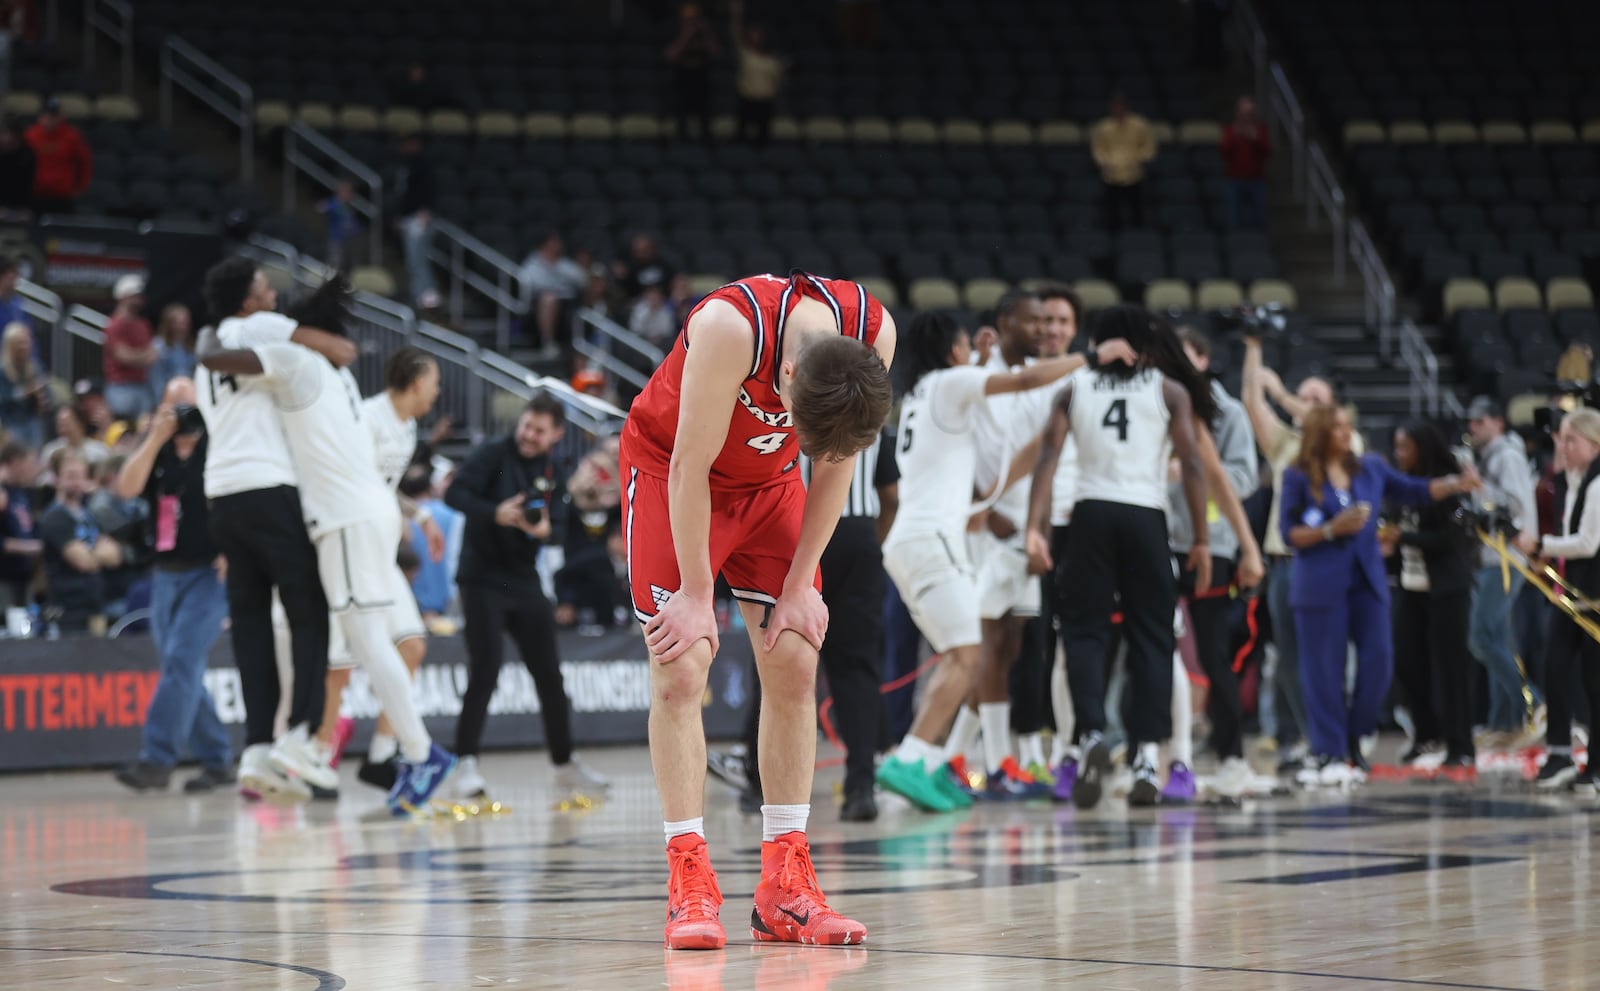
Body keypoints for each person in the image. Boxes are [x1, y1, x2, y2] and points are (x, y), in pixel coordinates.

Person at [620, 270, 895, 950]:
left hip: (769, 488)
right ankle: (688, 876)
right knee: (683, 665)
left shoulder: (873, 330)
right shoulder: (729, 328)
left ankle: (785, 885)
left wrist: (802, 583)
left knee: (797, 655)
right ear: (791, 372)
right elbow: (688, 464)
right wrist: (693, 592)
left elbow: (835, 462)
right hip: (675, 475)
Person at [198, 287, 456, 815]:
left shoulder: (293, 359)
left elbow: (217, 359)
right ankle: (351, 749)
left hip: (344, 519)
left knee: (367, 644)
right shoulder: (336, 374)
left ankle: (415, 751)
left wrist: (211, 325)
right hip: (364, 515)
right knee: (370, 644)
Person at [874, 311, 1132, 813]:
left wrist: (987, 359)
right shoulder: (952, 382)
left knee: (961, 656)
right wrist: (1093, 357)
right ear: (952, 351)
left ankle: (927, 763)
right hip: (933, 543)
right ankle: (910, 759)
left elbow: (990, 438)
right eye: (966, 343)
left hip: (913, 540)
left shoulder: (923, 395)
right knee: (971, 656)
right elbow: (1025, 379)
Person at [1024, 305, 1213, 810]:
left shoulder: (1075, 387)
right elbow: (1192, 464)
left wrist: (1032, 527)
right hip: (1145, 517)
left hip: (1089, 516)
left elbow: (1047, 456)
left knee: (1084, 633)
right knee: (1151, 636)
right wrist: (1199, 537)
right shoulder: (1167, 389)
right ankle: (1147, 755)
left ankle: (1089, 734)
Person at [197, 257, 355, 801]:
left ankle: (257, 747)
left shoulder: (209, 349)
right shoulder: (254, 327)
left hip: (220, 493)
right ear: (245, 299)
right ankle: (301, 737)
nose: (272, 296)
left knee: (250, 625)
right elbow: (332, 346)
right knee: (309, 608)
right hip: (266, 485)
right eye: (264, 288)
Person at [1279, 405, 1479, 787]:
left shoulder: (1369, 467)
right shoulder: (1298, 475)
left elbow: (1416, 490)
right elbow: (1289, 532)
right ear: (1320, 433)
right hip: (1319, 581)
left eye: (1348, 426)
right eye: (1337, 426)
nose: (1346, 432)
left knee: (1380, 662)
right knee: (1323, 671)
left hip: (1366, 579)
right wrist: (1331, 529)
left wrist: (1455, 484)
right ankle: (1330, 749)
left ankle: (1354, 736)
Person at [443, 393, 607, 801]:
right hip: (480, 577)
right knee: (486, 669)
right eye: (526, 425)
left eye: (539, 430)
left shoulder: (555, 469)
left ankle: (563, 764)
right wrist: (494, 512)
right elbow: (454, 495)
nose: (529, 435)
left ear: (556, 434)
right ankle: (465, 764)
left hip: (523, 578)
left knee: (550, 675)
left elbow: (558, 528)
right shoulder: (491, 454)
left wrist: (541, 532)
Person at [327, 347, 445, 793]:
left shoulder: (409, 426)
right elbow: (357, 485)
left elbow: (385, 489)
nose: (437, 393)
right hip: (352, 548)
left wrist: (419, 516)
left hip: (380, 550)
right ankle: (316, 753)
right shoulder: (366, 418)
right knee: (338, 665)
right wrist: (402, 517)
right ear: (415, 383)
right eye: (433, 383)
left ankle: (381, 757)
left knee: (411, 647)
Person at [112, 378, 233, 793]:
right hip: (165, 572)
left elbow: (240, 498)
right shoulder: (158, 447)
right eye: (174, 404)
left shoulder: (221, 444)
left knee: (181, 661)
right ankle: (218, 759)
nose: (182, 413)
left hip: (210, 574)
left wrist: (235, 548)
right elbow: (126, 488)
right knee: (180, 670)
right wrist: (153, 436)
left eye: (188, 404)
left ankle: (156, 761)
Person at [1241, 333, 1344, 770]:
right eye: (1303, 398)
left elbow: (1323, 419)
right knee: (1287, 659)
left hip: (1327, 562)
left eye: (1315, 399)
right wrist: (1253, 349)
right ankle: (1305, 738)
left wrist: (1282, 392)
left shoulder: (1343, 445)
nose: (1304, 406)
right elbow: (1252, 403)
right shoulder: (1284, 444)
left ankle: (1333, 738)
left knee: (1325, 657)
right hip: (1284, 565)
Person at [1164, 326, 1258, 799]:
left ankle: (1232, 757)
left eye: (1184, 355)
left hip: (1213, 544)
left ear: (1202, 359)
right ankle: (1154, 752)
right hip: (1159, 539)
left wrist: (1191, 472)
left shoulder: (1229, 412)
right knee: (1148, 648)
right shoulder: (1153, 403)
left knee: (1215, 653)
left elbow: (1243, 478)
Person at [1379, 420, 1478, 777]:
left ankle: (1461, 746)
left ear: (1422, 448)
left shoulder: (1445, 486)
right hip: (1410, 585)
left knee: (1450, 669)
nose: (1398, 454)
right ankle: (1427, 735)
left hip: (1447, 588)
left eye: (1404, 447)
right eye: (1396, 447)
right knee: (1408, 662)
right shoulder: (1404, 488)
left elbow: (1449, 541)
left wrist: (1403, 537)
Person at [1518, 408, 1600, 792]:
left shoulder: (1599, 483)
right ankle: (1560, 752)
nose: (1562, 447)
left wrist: (1542, 545)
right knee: (1555, 664)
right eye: (1560, 439)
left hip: (1594, 593)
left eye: (1571, 440)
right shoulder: (1573, 477)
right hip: (1573, 589)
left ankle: (1594, 764)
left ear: (1595, 444)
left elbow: (1587, 543)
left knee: (1593, 678)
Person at [1464, 396, 1542, 741]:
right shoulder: (1494, 456)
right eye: (1471, 422)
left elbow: (1514, 505)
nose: (1472, 428)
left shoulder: (1507, 456)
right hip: (1493, 557)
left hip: (1505, 558)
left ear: (1498, 421)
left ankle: (1536, 705)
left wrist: (1477, 486)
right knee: (1499, 639)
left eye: (1479, 422)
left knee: (1481, 636)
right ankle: (1504, 720)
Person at [37, 451, 114, 634]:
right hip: (67, 607)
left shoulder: (89, 514)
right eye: (70, 476)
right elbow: (83, 562)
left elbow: (114, 555)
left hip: (95, 602)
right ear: (56, 479)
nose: (77, 482)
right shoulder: (54, 517)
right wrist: (96, 553)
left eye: (81, 476)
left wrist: (91, 555)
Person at [1091, 94, 1156, 231]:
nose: (1118, 110)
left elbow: (1149, 146)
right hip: (1111, 175)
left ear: (1127, 108)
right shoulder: (1104, 127)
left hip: (1135, 174)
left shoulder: (1140, 125)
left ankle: (1137, 233)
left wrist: (1140, 159)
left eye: (1121, 107)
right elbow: (1098, 148)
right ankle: (1115, 233)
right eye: (1115, 107)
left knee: (1136, 208)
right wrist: (1103, 162)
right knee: (1112, 211)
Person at [102, 274, 157, 421]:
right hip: (120, 387)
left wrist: (136, 355)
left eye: (139, 296)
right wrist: (142, 356)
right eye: (133, 295)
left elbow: (152, 356)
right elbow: (122, 356)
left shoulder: (143, 324)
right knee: (122, 432)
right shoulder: (114, 324)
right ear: (122, 297)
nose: (138, 300)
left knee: (144, 432)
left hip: (142, 386)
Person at [393, 135, 438, 310]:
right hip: (409, 217)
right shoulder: (405, 164)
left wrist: (425, 211)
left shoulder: (423, 164)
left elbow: (429, 188)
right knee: (414, 260)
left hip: (419, 217)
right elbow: (404, 194)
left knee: (418, 259)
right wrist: (400, 216)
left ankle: (426, 296)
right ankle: (421, 294)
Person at [730, 0, 783, 147]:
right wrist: (736, 12)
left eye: (758, 34)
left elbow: (778, 81)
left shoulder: (773, 61)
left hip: (765, 102)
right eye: (752, 33)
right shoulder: (746, 54)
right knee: (740, 136)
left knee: (763, 137)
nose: (755, 36)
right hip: (747, 100)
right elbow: (735, 33)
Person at [25, 96, 91, 214]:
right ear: (39, 117)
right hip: (36, 195)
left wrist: (80, 188)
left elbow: (84, 164)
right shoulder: (31, 136)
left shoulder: (72, 136)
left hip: (62, 196)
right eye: (46, 115)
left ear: (61, 117)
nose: (49, 119)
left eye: (53, 116)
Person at [665, 3, 720, 144]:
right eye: (688, 19)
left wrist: (705, 31)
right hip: (684, 76)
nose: (691, 22)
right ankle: (682, 141)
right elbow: (671, 55)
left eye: (694, 18)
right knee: (682, 112)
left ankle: (706, 141)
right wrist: (686, 35)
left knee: (704, 113)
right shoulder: (676, 32)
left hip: (701, 76)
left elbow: (714, 52)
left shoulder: (704, 33)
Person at [1220, 96, 1271, 230]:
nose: (1246, 117)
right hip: (1234, 180)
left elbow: (1267, 152)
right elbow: (1223, 152)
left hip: (1256, 180)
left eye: (1249, 113)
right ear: (1238, 113)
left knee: (1260, 218)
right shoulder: (1230, 130)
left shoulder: (1260, 130)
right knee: (1233, 219)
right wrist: (1235, 136)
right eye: (1244, 113)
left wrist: (1255, 139)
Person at [0, 439, 40, 609]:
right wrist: (34, 547)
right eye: (29, 464)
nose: (33, 470)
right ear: (15, 461)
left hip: (23, 576)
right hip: (3, 578)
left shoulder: (20, 491)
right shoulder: (3, 492)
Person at [0, 320, 48, 447]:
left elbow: (45, 397)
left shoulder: (35, 368)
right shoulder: (3, 371)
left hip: (32, 420)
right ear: (10, 345)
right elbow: (3, 398)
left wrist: (41, 398)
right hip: (10, 422)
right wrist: (25, 391)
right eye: (20, 343)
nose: (24, 346)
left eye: (26, 342)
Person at [39, 404, 108, 474]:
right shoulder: (50, 451)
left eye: (67, 424)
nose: (63, 429)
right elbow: (44, 480)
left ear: (80, 423)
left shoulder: (99, 450)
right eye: (60, 425)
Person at [150, 303, 196, 401]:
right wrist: (161, 399)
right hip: (169, 394)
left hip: (190, 393)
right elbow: (156, 376)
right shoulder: (159, 346)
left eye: (186, 322)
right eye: (180, 322)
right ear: (169, 324)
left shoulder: (191, 344)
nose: (184, 326)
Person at [317, 177, 363, 272]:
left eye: (348, 191)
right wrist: (324, 206)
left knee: (352, 265)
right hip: (336, 239)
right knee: (335, 263)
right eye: (343, 191)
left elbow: (353, 222)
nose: (346, 194)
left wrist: (357, 229)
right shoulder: (333, 203)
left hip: (350, 239)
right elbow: (321, 208)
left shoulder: (350, 206)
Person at [0, 118, 37, 215]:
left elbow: (29, 185)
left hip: (21, 208)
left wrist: (27, 208)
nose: (3, 138)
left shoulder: (27, 155)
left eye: (7, 134)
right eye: (3, 134)